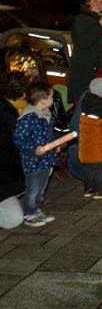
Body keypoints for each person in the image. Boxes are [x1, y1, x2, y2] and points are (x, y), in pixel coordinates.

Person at [14, 82, 57, 227]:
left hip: (46, 160)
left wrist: (53, 146)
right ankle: (29, 214)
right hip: (34, 161)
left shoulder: (45, 115)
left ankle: (37, 210)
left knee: (41, 188)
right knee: (33, 189)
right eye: (52, 97)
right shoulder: (29, 118)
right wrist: (34, 149)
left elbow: (47, 136)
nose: (53, 100)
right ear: (43, 101)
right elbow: (19, 139)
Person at [0, 73, 26, 229]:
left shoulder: (8, 110)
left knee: (15, 218)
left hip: (7, 173)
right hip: (7, 172)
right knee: (14, 219)